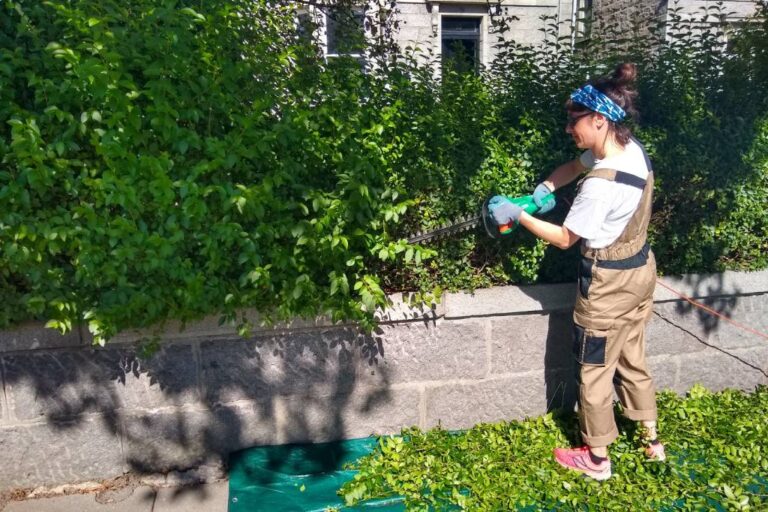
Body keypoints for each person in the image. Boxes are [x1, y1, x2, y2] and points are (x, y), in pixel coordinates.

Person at [490, 62, 665, 481]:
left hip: (607, 284)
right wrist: (543, 190)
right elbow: (575, 165)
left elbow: (567, 238)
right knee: (632, 356)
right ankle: (650, 439)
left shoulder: (602, 186)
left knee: (594, 367)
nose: (570, 129)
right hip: (640, 271)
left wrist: (520, 216)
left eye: (575, 122)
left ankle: (598, 458)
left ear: (600, 120)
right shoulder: (629, 151)